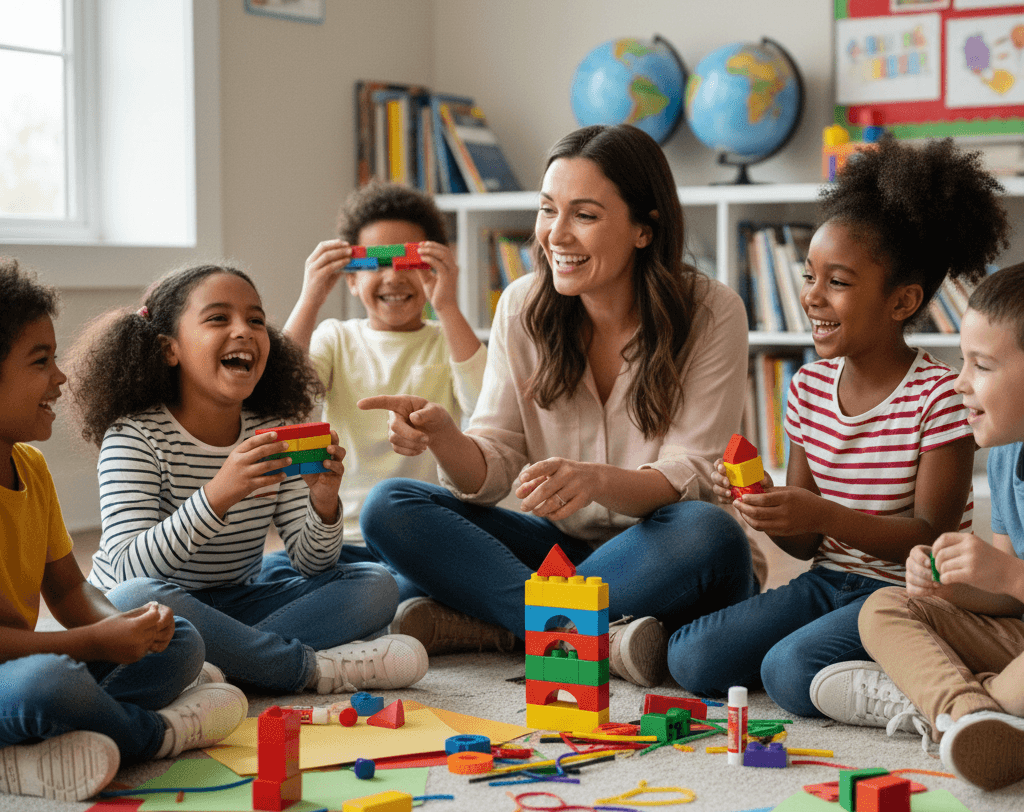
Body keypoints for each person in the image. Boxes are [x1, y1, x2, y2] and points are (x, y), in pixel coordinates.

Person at [357, 124, 764, 687]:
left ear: (644, 230)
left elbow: (692, 472)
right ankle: (588, 633)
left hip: (661, 546)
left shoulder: (712, 311)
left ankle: (504, 627)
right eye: (549, 211)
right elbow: (496, 460)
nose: (556, 235)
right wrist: (446, 438)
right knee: (389, 506)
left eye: (585, 215)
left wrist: (599, 481)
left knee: (707, 534)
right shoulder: (522, 305)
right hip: (557, 551)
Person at [671, 137, 1009, 716]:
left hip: (906, 597)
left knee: (787, 668)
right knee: (693, 659)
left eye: (839, 282)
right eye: (810, 276)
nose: (812, 297)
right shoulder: (805, 390)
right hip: (828, 583)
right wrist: (768, 510)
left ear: (902, 302)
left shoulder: (939, 397)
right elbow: (804, 545)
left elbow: (930, 535)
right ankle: (855, 668)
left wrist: (823, 514)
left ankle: (914, 683)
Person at [69, 263, 428, 695]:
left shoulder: (272, 430)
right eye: (219, 318)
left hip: (234, 604)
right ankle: (307, 669)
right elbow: (130, 569)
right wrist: (218, 496)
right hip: (155, 607)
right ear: (169, 349)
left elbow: (313, 563)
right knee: (134, 599)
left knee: (375, 585)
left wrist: (323, 504)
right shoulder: (134, 437)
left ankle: (217, 663)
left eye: (255, 320)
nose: (244, 330)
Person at [0, 260, 247, 802]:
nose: (61, 377)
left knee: (180, 641)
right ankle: (157, 735)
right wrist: (92, 642)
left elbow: (66, 588)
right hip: (21, 675)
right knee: (51, 683)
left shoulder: (30, 469)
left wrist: (124, 627)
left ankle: (38, 751)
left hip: (28, 664)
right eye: (41, 362)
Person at [813, 263, 1024, 790]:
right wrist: (955, 585)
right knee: (885, 607)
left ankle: (954, 705)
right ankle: (973, 715)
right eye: (962, 362)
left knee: (1016, 690)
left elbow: (1016, 584)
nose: (960, 383)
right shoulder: (1004, 454)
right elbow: (1010, 601)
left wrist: (1012, 577)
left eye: (983, 366)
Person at [282, 182, 486, 570]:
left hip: (420, 532)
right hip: (340, 536)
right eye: (375, 262)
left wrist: (446, 305)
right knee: (277, 570)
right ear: (352, 278)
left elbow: (485, 401)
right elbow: (282, 395)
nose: (392, 277)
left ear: (434, 269)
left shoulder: (450, 340)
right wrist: (310, 298)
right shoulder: (335, 337)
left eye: (407, 261)